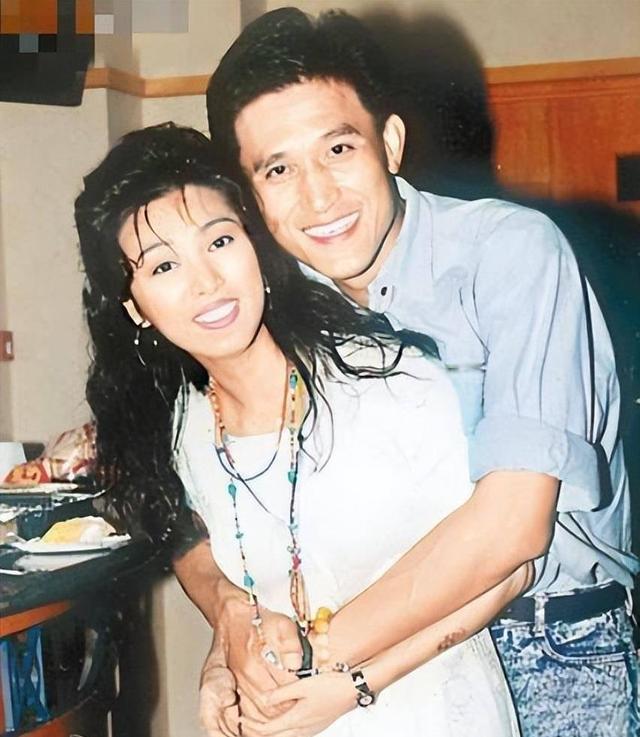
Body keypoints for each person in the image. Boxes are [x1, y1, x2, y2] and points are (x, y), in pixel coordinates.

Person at [173, 8, 639, 737]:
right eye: (278, 169)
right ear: (251, 193)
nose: (318, 197)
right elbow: (228, 506)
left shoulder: (509, 254)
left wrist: (314, 661)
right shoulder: (282, 305)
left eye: (337, 148)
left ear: (389, 142)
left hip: (547, 647)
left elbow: (513, 525)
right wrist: (228, 638)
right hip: (380, 646)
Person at [74, 122, 530, 737]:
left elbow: (508, 571)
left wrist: (354, 686)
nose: (206, 282)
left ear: (256, 246)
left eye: (219, 241)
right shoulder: (185, 428)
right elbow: (238, 581)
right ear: (135, 308)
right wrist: (222, 665)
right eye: (163, 266)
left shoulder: (389, 382)